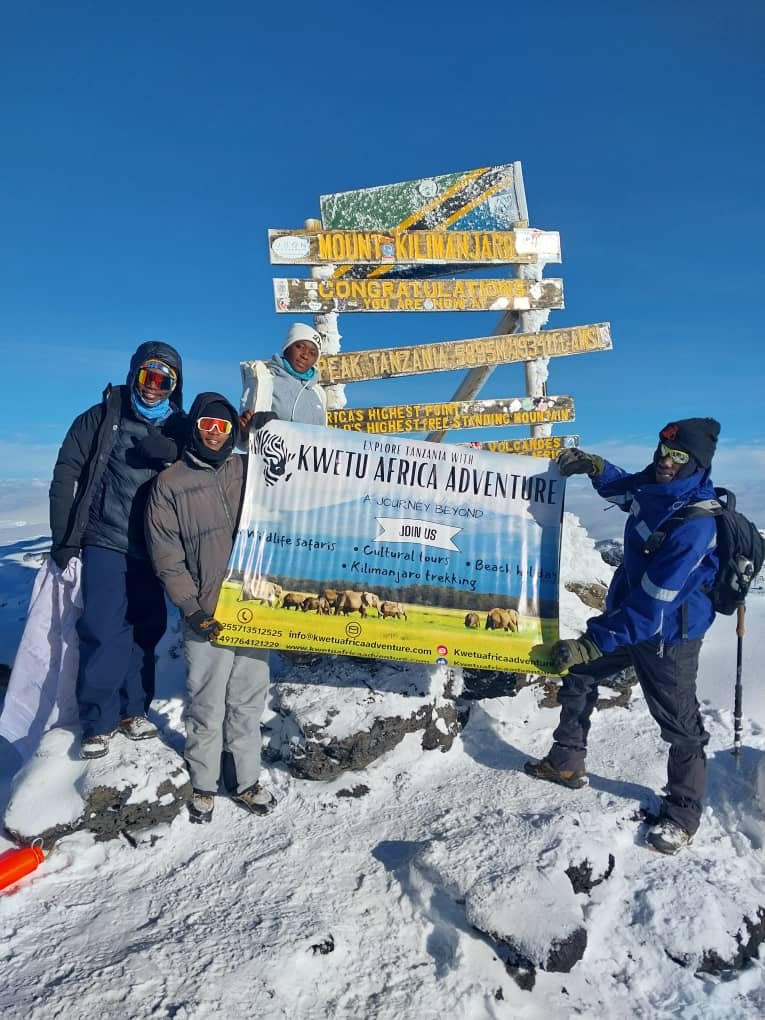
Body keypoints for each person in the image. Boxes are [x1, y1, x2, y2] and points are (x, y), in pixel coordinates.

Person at [525, 418, 721, 856]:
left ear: (697, 464)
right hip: (629, 619)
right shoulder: (652, 487)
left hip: (670, 635)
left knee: (680, 727)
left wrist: (593, 641)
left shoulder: (695, 525)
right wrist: (596, 466)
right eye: (664, 450)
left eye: (679, 456)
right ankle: (566, 761)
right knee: (580, 674)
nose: (666, 460)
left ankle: (682, 815)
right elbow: (621, 489)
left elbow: (653, 606)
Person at [49, 341, 186, 759]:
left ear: (174, 388)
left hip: (153, 545)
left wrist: (177, 452)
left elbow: (213, 457)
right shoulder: (103, 416)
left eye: (164, 381)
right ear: (134, 374)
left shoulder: (179, 426)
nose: (153, 388)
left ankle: (133, 710)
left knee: (147, 630)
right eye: (148, 376)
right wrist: (64, 537)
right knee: (103, 627)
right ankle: (98, 719)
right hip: (105, 538)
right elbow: (67, 471)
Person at [145, 392, 275, 824]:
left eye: (223, 427)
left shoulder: (248, 470)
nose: (215, 435)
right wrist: (189, 606)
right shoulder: (170, 483)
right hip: (205, 612)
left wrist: (269, 431)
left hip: (254, 609)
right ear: (195, 428)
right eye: (207, 426)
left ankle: (246, 780)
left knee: (248, 700)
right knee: (206, 702)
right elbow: (166, 555)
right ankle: (203, 783)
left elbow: (296, 473)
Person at [242, 322, 327, 425]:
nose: (305, 355)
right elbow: (246, 429)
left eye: (312, 353)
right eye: (300, 346)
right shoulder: (264, 379)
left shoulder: (318, 393)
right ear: (287, 347)